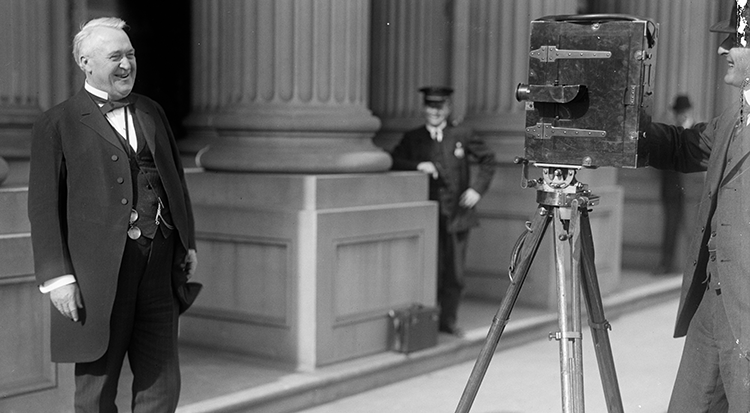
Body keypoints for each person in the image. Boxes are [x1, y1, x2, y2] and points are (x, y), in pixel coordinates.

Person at [27, 17, 198, 412]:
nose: (126, 64)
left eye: (131, 54)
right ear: (85, 62)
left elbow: (175, 181)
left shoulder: (152, 111)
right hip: (97, 275)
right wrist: (57, 278)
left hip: (161, 263)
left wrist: (187, 243)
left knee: (162, 381)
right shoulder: (56, 122)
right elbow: (43, 206)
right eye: (115, 56)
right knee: (96, 390)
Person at [639, 4, 750, 411]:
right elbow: (684, 147)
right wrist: (622, 134)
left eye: (736, 41)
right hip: (715, 301)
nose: (722, 50)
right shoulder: (734, 117)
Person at [390, 87, 495, 336]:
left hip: (458, 216)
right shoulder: (413, 138)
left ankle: (448, 322)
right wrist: (418, 165)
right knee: (430, 269)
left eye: (439, 107)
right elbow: (393, 160)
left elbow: (488, 159)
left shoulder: (462, 133)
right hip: (428, 217)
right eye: (430, 107)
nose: (434, 112)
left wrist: (477, 190)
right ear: (424, 109)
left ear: (447, 108)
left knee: (455, 273)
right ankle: (427, 324)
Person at [653, 95, 695, 275]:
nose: (680, 115)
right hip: (671, 189)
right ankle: (667, 264)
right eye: (678, 112)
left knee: (692, 228)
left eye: (682, 112)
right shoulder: (671, 130)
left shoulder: (695, 131)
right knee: (670, 227)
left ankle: (688, 266)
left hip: (691, 190)